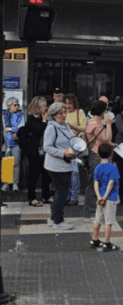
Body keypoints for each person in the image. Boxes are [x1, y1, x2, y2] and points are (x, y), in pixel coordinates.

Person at [43, 102, 78, 230]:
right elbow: (47, 147)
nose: (63, 115)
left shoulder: (65, 125)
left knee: (61, 192)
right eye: (60, 113)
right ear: (53, 115)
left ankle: (55, 217)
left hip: (66, 164)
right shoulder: (51, 127)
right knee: (62, 193)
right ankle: (58, 221)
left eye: (64, 112)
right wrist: (63, 153)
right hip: (56, 166)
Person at [83, 100, 115, 219]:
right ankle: (90, 212)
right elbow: (106, 138)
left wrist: (111, 144)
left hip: (99, 155)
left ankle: (97, 210)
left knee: (100, 183)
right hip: (95, 155)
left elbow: (103, 140)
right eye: (105, 110)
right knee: (93, 184)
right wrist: (109, 124)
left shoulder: (95, 122)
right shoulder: (94, 123)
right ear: (102, 111)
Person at [89, 144, 120, 252]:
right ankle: (107, 242)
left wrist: (99, 197)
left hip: (100, 199)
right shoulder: (113, 167)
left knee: (98, 219)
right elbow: (111, 183)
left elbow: (96, 183)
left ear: (98, 154)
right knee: (108, 221)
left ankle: (94, 239)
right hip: (110, 198)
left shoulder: (97, 167)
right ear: (110, 154)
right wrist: (105, 197)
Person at [24, 96, 52, 206]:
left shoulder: (43, 118)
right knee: (33, 174)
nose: (46, 108)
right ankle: (32, 197)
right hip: (34, 151)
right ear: (38, 107)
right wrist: (44, 121)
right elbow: (39, 131)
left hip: (44, 150)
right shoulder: (31, 119)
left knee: (46, 174)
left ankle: (46, 196)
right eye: (44, 106)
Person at [63, 93, 87, 206]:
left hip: (75, 145)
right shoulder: (62, 113)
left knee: (74, 172)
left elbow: (84, 128)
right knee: (64, 172)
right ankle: (66, 195)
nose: (68, 106)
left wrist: (71, 126)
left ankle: (74, 196)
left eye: (70, 103)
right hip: (63, 145)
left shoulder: (79, 112)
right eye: (66, 103)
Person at [2, 97, 25, 192]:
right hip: (7, 142)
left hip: (17, 142)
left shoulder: (21, 114)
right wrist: (13, 129)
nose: (16, 106)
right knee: (7, 163)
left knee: (16, 163)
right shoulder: (4, 114)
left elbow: (21, 127)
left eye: (17, 105)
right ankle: (6, 183)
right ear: (9, 106)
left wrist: (11, 129)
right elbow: (5, 128)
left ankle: (15, 183)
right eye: (14, 105)